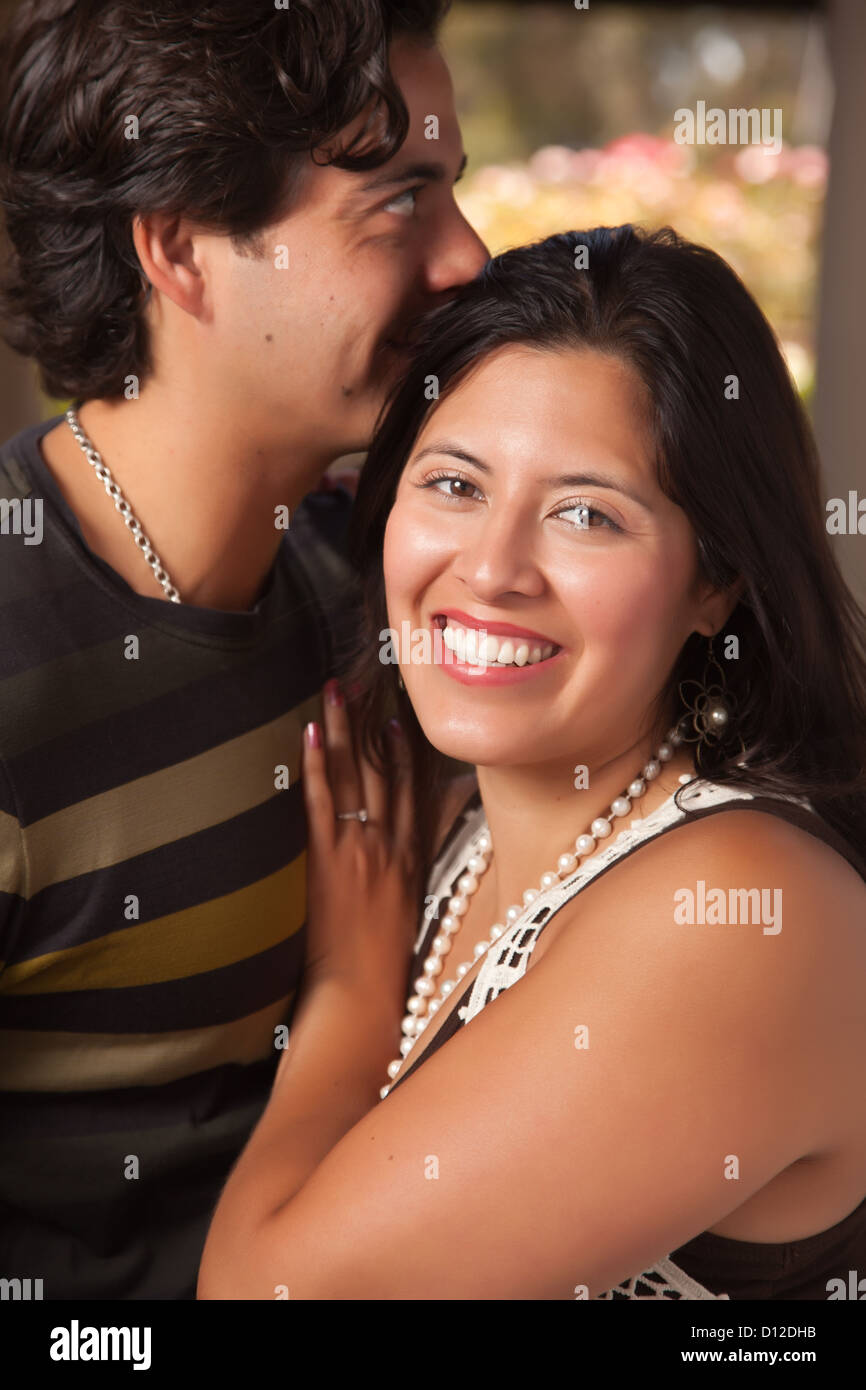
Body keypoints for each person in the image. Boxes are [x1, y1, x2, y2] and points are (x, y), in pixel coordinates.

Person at [198, 225, 866, 1300]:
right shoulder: (454, 823)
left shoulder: (743, 912)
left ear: (715, 586)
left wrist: (352, 988)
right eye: (454, 485)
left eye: (584, 514)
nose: (492, 568)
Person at [0, 0, 486, 1299]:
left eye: (458, 194)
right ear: (182, 251)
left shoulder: (371, 566)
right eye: (399, 200)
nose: (468, 258)